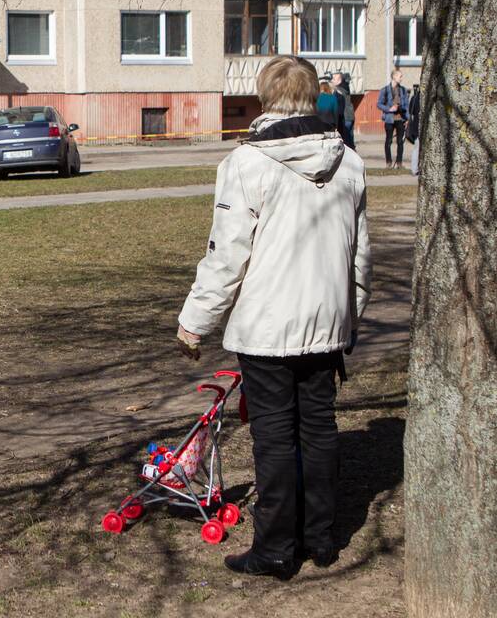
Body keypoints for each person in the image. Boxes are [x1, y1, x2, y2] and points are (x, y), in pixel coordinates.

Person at [175, 55, 371, 578]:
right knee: (318, 428)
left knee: (278, 436)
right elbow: (360, 257)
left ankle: (279, 547)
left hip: (269, 327)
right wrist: (351, 316)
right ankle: (320, 538)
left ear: (264, 98)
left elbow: (226, 255)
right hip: (324, 322)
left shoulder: (248, 163)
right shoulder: (348, 161)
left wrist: (194, 321)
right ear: (313, 97)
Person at [376, 71, 409, 168]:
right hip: (389, 119)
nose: (401, 78)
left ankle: (399, 163)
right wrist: (389, 109)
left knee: (400, 142)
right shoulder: (385, 90)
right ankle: (388, 162)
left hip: (400, 118)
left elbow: (406, 105)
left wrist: (407, 118)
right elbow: (379, 104)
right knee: (388, 140)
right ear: (394, 77)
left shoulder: (403, 90)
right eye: (400, 76)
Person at [330, 72, 355, 149]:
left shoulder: (339, 90)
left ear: (339, 80)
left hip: (345, 116)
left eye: (333, 79)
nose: (332, 80)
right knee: (350, 140)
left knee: (346, 142)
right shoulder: (345, 87)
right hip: (350, 116)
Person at [408, 85, 422, 175]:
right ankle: (415, 168)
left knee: (416, 148)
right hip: (420, 127)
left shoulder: (415, 97)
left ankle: (414, 169)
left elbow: (411, 111)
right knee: (418, 148)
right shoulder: (428, 97)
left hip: (416, 127)